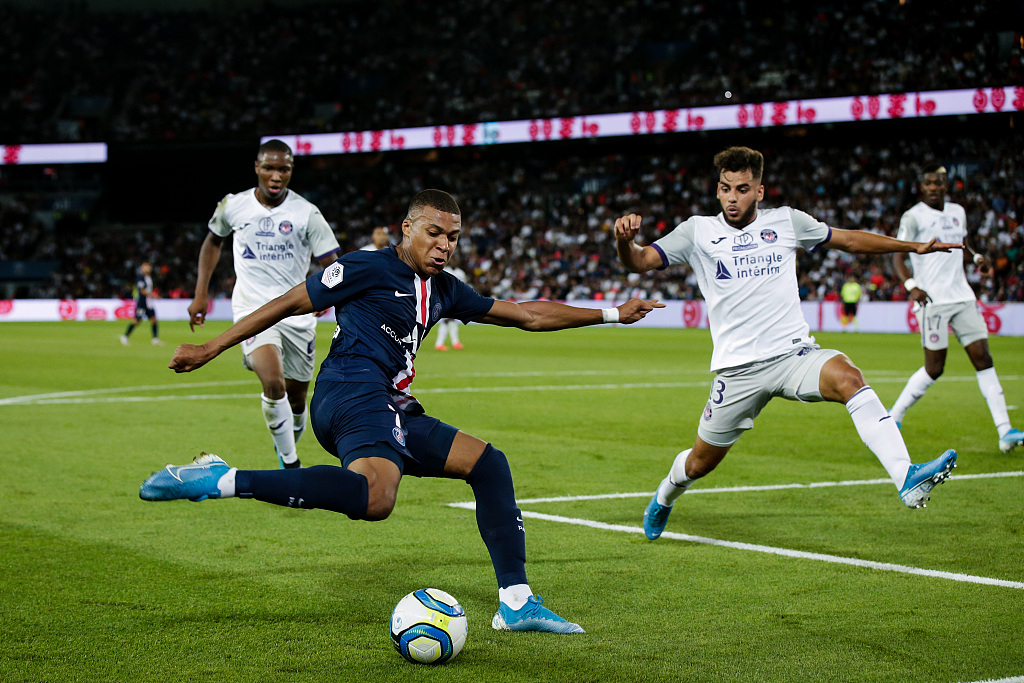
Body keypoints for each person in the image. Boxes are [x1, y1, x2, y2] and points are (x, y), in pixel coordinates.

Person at [142, 189, 663, 634]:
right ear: (408, 228)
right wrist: (212, 347)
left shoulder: (445, 289)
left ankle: (517, 603)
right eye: (434, 233)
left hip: (390, 402)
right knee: (376, 497)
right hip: (349, 391)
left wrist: (614, 313)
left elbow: (527, 315)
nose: (444, 246)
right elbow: (290, 302)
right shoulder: (367, 265)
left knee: (488, 464)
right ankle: (223, 478)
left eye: (453, 237)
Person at [613, 146, 963, 542]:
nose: (733, 197)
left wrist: (912, 247)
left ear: (759, 191)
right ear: (717, 190)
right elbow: (639, 262)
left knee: (849, 377)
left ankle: (906, 476)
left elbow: (847, 240)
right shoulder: (697, 232)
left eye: (742, 189)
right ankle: (664, 496)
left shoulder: (787, 222)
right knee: (699, 463)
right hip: (738, 370)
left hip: (794, 355)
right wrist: (624, 241)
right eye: (726, 188)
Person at [188, 139, 341, 470]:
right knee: (273, 381)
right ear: (257, 168)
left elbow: (333, 261)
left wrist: (326, 290)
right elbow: (212, 242)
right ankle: (291, 465)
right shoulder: (233, 205)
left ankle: (285, 443)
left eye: (283, 169)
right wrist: (201, 292)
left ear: (291, 171)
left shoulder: (306, 213)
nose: (276, 175)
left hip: (297, 312)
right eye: (269, 167)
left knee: (298, 399)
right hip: (252, 309)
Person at [889, 164, 1023, 453]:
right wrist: (911, 284)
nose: (934, 187)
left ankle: (1005, 430)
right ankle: (894, 416)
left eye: (938, 183)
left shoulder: (957, 212)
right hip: (932, 301)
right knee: (934, 368)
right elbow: (898, 255)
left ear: (946, 186)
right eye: (928, 183)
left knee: (983, 358)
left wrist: (977, 259)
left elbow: (963, 244)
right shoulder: (913, 217)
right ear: (921, 187)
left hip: (962, 296)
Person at [120, 262, 162, 346]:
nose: (148, 269)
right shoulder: (140, 277)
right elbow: (142, 290)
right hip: (142, 303)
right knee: (136, 321)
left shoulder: (148, 277)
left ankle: (155, 339)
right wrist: (153, 295)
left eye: (149, 267)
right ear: (142, 268)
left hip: (149, 303)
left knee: (154, 320)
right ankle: (125, 336)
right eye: (146, 267)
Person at [434, 258, 468, 350]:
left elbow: (463, 286)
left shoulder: (461, 273)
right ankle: (441, 343)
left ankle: (452, 342)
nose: (454, 262)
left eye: (455, 260)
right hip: (445, 298)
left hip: (456, 299)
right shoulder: (445, 271)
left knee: (451, 321)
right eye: (452, 260)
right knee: (447, 320)